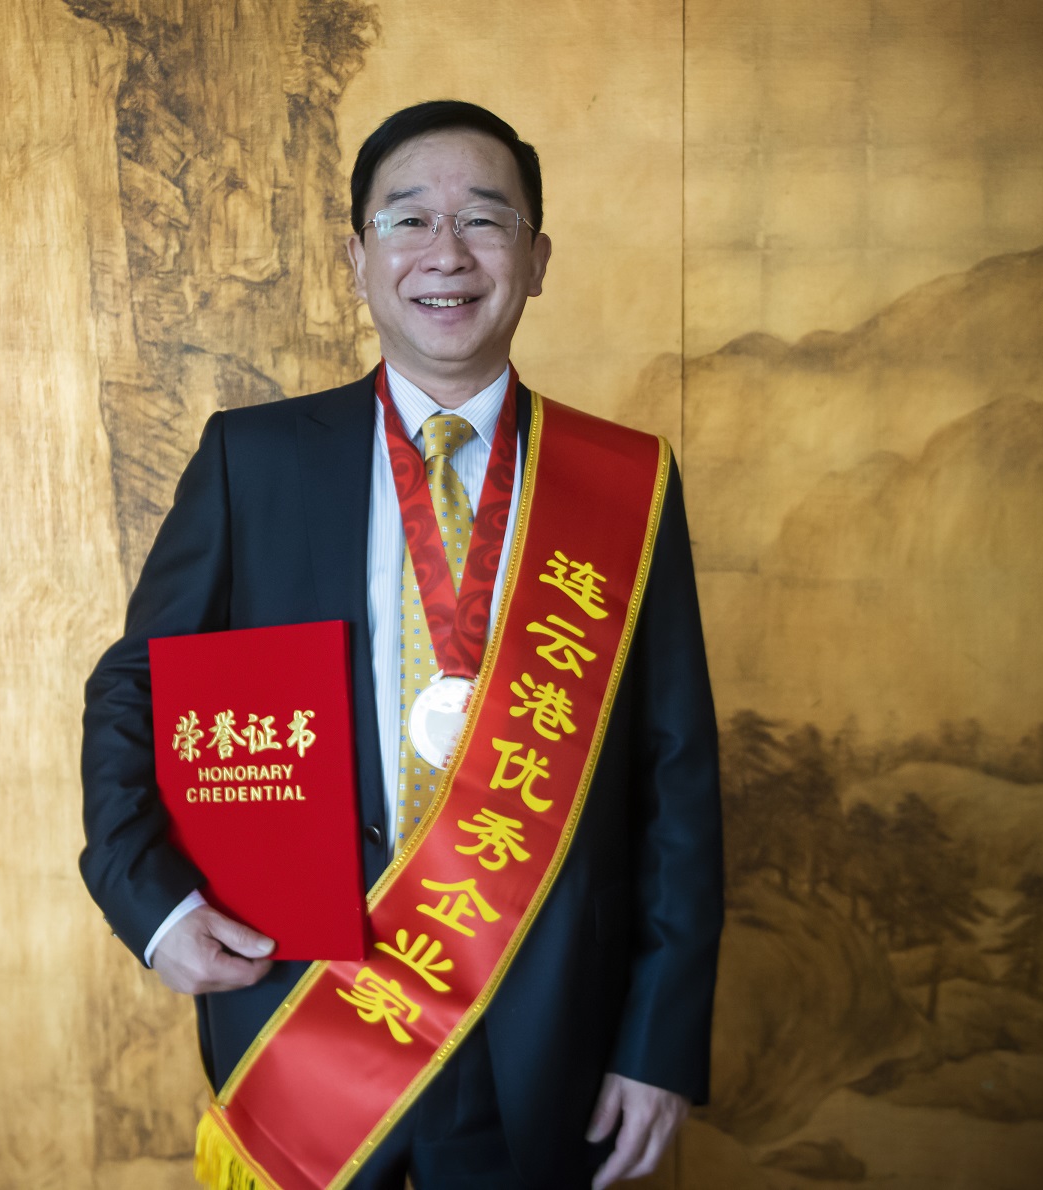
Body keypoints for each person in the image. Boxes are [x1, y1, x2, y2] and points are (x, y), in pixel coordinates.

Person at [81, 100, 723, 1189]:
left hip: (552, 1029)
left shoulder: (622, 486)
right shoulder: (253, 461)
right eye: (409, 219)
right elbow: (132, 692)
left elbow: (677, 783)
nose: (447, 253)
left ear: (537, 259)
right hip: (302, 1010)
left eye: (485, 220)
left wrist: (658, 1043)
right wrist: (156, 906)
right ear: (357, 258)